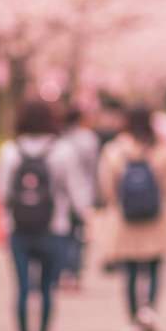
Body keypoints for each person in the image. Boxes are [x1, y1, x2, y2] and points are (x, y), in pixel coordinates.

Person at [0, 100, 93, 331]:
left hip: (18, 229)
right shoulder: (62, 150)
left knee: (23, 287)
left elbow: (2, 192)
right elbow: (76, 189)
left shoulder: (9, 151)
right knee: (48, 287)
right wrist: (86, 215)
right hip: (55, 227)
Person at [98, 105, 166, 331]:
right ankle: (149, 309)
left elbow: (107, 186)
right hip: (156, 219)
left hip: (125, 219)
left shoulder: (114, 150)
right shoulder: (161, 150)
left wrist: (118, 204)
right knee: (154, 268)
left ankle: (133, 319)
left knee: (130, 273)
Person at [58, 105, 102, 290]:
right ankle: (74, 274)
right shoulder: (88, 139)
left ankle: (63, 272)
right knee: (79, 235)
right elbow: (94, 168)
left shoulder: (59, 139)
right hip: (84, 191)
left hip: (61, 195)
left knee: (64, 234)